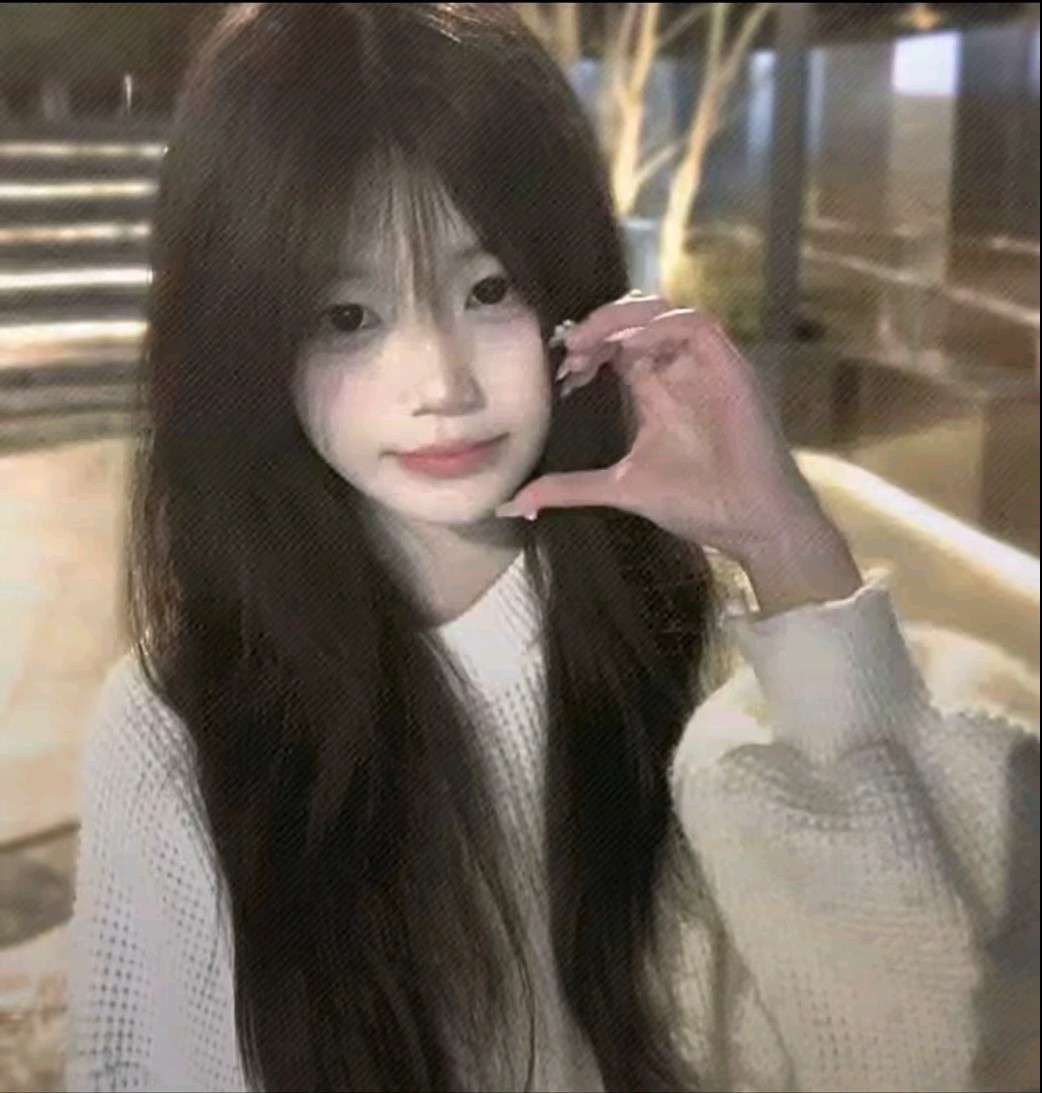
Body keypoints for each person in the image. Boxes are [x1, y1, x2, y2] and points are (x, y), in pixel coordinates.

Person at [65, 5, 1039, 1092]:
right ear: (245, 341)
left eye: (489, 290)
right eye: (347, 316)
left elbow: (919, 1047)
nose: (440, 382)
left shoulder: (711, 655)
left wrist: (785, 541)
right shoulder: (176, 723)